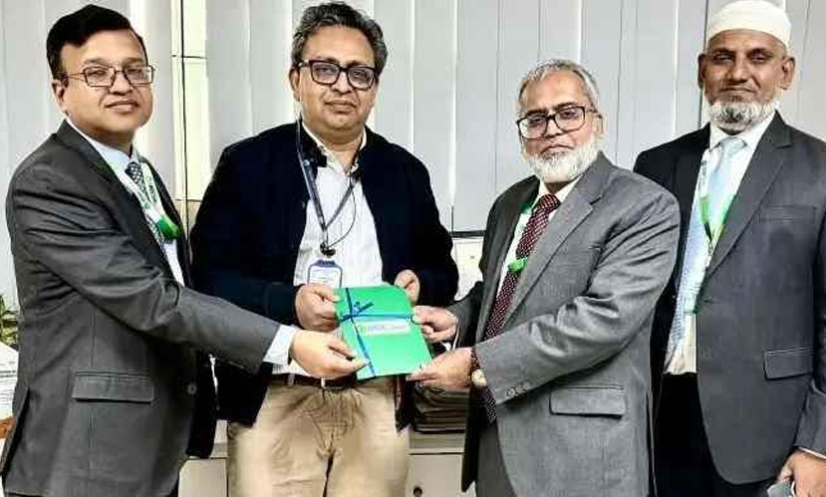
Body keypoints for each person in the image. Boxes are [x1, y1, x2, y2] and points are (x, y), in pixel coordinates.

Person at [0, 6, 362, 497]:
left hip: (142, 449)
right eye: (97, 73)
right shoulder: (49, 182)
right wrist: (291, 343)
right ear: (60, 91)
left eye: (134, 70)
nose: (122, 85)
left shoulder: (137, 174)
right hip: (83, 457)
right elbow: (153, 298)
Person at [189, 2, 458, 496]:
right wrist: (288, 302)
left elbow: (443, 268)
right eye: (325, 69)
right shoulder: (247, 164)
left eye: (359, 73)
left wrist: (421, 284)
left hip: (376, 393)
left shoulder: (404, 171)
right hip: (276, 393)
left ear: (374, 87)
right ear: (296, 79)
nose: (342, 85)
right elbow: (207, 278)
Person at [409, 59, 679, 497]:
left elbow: (603, 318)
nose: (552, 129)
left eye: (568, 113)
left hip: (584, 454)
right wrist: (458, 318)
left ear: (598, 122)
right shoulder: (508, 205)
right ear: (522, 135)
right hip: (497, 441)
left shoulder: (644, 205)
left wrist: (479, 363)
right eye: (535, 119)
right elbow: (498, 293)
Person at [634, 1, 826, 495]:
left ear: (786, 72)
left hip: (768, 428)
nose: (738, 73)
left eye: (758, 57)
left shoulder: (820, 169)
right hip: (661, 415)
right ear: (703, 70)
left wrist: (817, 444)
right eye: (723, 58)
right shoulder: (656, 165)